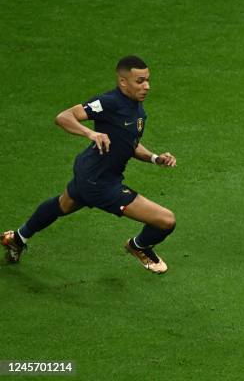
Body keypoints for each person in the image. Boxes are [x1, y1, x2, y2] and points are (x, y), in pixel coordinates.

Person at [1, 56, 176, 274]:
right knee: (166, 220)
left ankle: (16, 238)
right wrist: (90, 133)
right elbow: (64, 117)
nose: (147, 86)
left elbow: (129, 144)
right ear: (123, 82)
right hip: (100, 183)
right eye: (140, 81)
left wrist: (154, 158)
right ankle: (138, 246)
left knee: (62, 205)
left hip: (92, 172)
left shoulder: (138, 110)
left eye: (148, 80)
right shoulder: (109, 102)